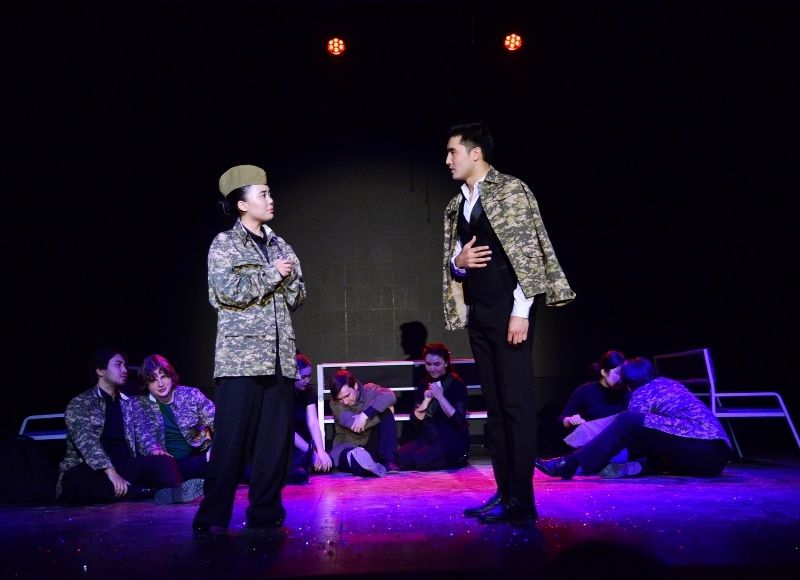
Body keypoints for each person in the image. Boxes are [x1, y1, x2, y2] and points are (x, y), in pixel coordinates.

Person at [442, 121, 576, 524]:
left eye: (453, 152)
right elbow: (456, 261)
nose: (447, 160)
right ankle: (505, 493)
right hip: (479, 312)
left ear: (475, 153)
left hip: (508, 309)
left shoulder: (510, 190)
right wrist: (458, 263)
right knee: (497, 408)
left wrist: (521, 310)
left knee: (516, 405)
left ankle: (522, 501)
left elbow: (528, 251)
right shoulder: (458, 204)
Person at [192, 164, 306, 534]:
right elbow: (227, 293)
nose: (271, 200)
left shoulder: (280, 244)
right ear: (242, 204)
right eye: (263, 194)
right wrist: (273, 274)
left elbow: (298, 297)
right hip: (240, 361)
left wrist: (288, 279)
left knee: (274, 444)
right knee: (231, 442)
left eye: (270, 193)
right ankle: (213, 517)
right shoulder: (225, 244)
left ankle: (265, 513)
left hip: (279, 359)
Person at [535, 356, 733, 480]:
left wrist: (592, 450)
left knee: (628, 420)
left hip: (704, 447)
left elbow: (628, 431)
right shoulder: (666, 383)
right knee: (647, 439)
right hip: (716, 456)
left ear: (628, 384)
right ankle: (644, 467)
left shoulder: (642, 393)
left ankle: (568, 465)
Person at [57, 347, 204, 506]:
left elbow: (143, 434)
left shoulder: (131, 404)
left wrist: (154, 449)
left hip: (124, 465)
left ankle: (175, 492)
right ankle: (146, 492)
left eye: (125, 365)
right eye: (118, 365)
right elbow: (87, 443)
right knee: (74, 481)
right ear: (100, 370)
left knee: (163, 461)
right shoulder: (80, 403)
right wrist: (110, 472)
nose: (124, 370)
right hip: (93, 468)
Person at [137, 354, 215, 481]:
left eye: (163, 377)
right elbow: (144, 436)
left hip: (201, 454)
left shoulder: (191, 394)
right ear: (146, 384)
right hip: (170, 464)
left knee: (228, 462)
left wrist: (217, 448)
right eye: (153, 380)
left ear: (171, 376)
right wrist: (154, 449)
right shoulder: (141, 405)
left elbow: (217, 421)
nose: (160, 384)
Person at [397, 342, 471, 471]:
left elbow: (458, 420)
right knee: (400, 458)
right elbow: (415, 420)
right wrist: (426, 401)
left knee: (421, 460)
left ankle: (459, 458)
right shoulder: (424, 383)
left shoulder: (457, 384)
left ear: (446, 363)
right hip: (429, 435)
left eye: (437, 364)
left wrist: (440, 397)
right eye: (428, 364)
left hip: (451, 436)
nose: (432, 368)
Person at [328, 369, 400, 476]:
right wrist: (378, 411)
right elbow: (354, 425)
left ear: (355, 386)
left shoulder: (369, 389)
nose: (345, 402)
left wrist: (365, 415)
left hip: (371, 443)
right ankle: (367, 466)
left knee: (386, 413)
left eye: (347, 396)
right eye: (340, 399)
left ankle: (389, 461)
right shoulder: (335, 404)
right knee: (385, 410)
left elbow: (390, 396)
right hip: (349, 445)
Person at [289, 353, 333, 484]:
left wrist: (320, 451)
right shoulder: (283, 394)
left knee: (327, 463)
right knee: (298, 469)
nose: (307, 380)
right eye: (303, 377)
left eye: (309, 376)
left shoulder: (308, 391)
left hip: (305, 443)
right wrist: (311, 454)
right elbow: (288, 431)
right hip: (289, 443)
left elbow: (313, 422)